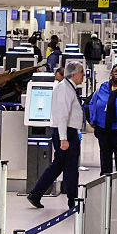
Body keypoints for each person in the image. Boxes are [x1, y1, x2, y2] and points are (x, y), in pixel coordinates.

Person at [27, 61, 85, 209]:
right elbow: (62, 115)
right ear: (74, 74)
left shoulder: (68, 88)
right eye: (82, 72)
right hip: (66, 132)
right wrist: (64, 138)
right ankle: (73, 201)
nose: (84, 75)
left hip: (66, 131)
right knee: (71, 167)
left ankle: (36, 194)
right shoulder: (64, 89)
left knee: (57, 166)